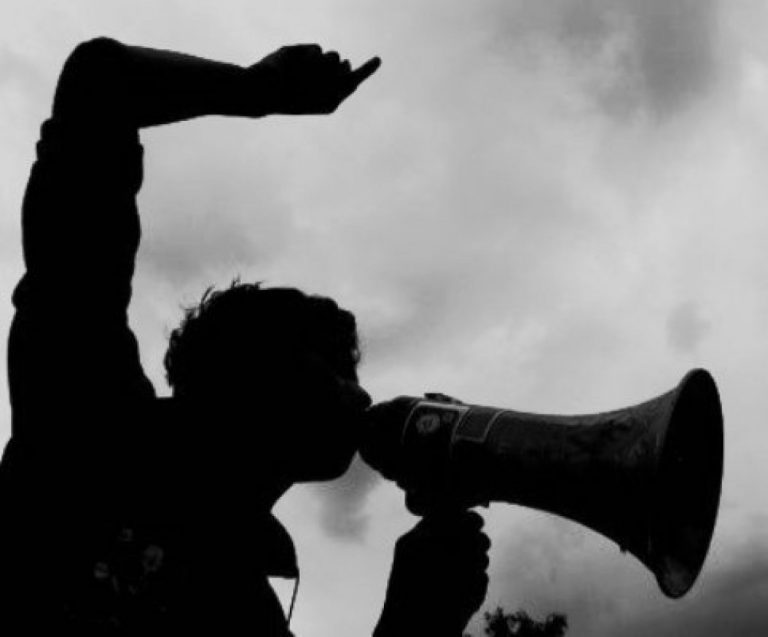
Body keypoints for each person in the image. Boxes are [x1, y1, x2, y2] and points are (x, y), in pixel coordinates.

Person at [1, 37, 490, 634]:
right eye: (335, 366)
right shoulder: (85, 411)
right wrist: (259, 89)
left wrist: (414, 622)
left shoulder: (248, 606)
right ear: (250, 370)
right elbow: (98, 80)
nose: (361, 396)